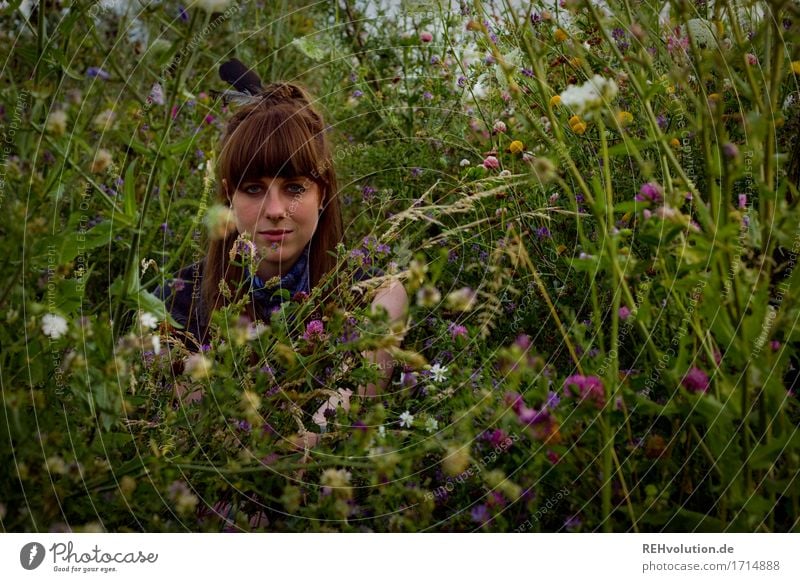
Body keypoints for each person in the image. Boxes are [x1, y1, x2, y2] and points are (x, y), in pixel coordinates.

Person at [156, 61, 408, 424]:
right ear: (228, 197)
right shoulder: (177, 302)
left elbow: (327, 434)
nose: (275, 210)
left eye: (294, 188)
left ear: (322, 194)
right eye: (253, 188)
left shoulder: (373, 292)